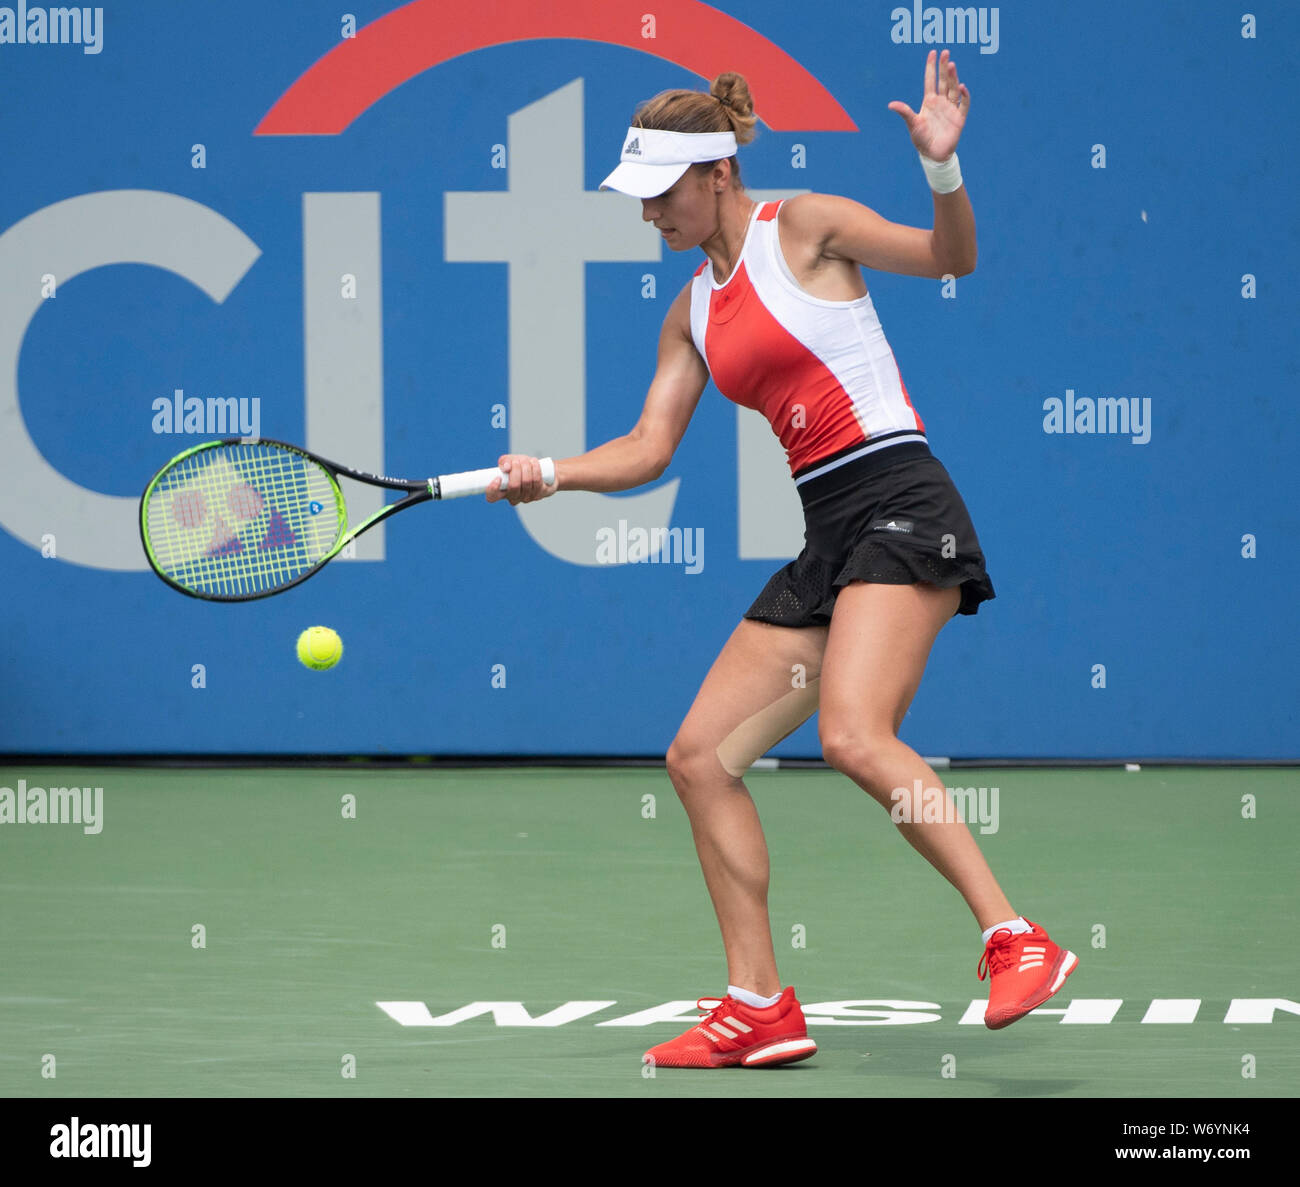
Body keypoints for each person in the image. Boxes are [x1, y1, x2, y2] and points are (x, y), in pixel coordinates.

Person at [488, 49, 1077, 1068]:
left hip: (900, 503)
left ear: (717, 172)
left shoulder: (802, 227)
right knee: (699, 757)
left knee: (853, 732)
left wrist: (942, 166)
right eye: (636, 198)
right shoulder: (691, 310)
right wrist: (552, 469)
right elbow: (648, 447)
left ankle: (1012, 934)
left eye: (659, 193)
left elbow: (949, 258)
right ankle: (757, 1001)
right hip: (827, 529)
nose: (647, 216)